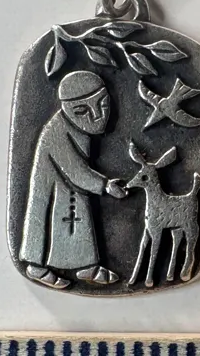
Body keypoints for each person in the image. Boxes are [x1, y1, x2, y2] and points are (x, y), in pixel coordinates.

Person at [19, 70, 126, 289]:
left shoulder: (75, 126)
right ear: (67, 109)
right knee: (47, 222)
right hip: (53, 189)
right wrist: (105, 186)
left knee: (77, 221)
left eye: (103, 105)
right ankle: (36, 268)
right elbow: (75, 171)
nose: (97, 116)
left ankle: (86, 266)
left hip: (70, 190)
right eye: (82, 111)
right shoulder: (55, 133)